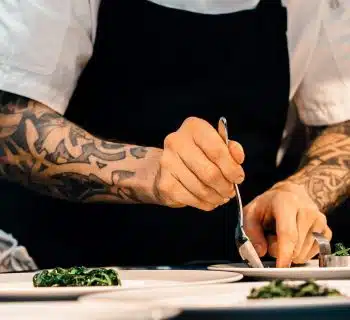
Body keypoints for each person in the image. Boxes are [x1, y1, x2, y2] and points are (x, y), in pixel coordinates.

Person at [0, 0, 348, 269]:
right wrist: (151, 171)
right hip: (70, 278)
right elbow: (8, 123)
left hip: (240, 279)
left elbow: (341, 122)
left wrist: (299, 191)